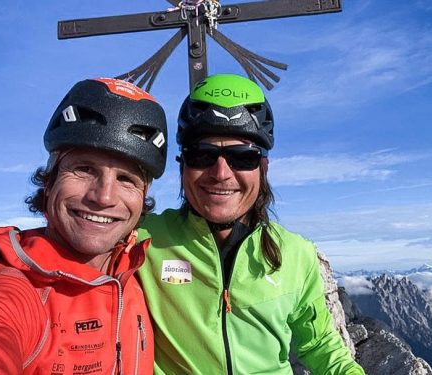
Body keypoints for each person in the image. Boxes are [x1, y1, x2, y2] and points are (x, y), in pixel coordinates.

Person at [0, 78, 168, 374]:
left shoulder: (139, 273)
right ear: (49, 182)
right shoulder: (9, 287)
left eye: (126, 179)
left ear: (142, 199)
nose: (103, 197)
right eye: (84, 169)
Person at [137, 74, 365, 374]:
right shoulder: (142, 241)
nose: (221, 173)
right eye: (202, 155)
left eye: (242, 158)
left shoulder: (296, 255)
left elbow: (319, 344)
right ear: (183, 165)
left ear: (263, 168)